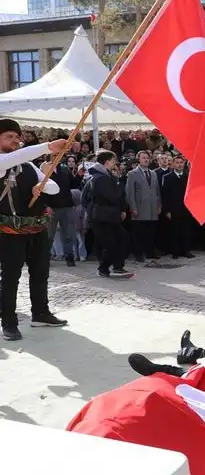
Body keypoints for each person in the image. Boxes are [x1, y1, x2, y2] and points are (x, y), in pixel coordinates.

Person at [0, 119, 69, 341]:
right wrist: (48, 147)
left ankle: (40, 313)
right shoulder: (2, 162)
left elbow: (54, 187)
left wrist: (42, 185)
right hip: (9, 232)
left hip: (36, 228)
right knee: (10, 277)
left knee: (40, 273)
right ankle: (9, 322)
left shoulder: (29, 166)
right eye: (9, 136)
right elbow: (15, 157)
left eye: (17, 136)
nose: (15, 140)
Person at [86, 150, 133, 280]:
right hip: (102, 217)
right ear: (106, 162)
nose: (115, 164)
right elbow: (113, 196)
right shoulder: (100, 178)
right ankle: (103, 268)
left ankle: (117, 267)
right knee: (111, 244)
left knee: (122, 238)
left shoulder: (106, 176)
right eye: (113, 161)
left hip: (110, 216)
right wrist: (120, 182)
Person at [125, 150, 161, 262]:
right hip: (139, 208)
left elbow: (157, 191)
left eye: (147, 158)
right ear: (138, 160)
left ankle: (150, 252)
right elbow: (130, 193)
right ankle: (138, 254)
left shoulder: (153, 173)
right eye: (143, 158)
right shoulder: (132, 174)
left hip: (152, 208)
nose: (146, 160)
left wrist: (159, 205)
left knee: (151, 232)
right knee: (138, 233)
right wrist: (133, 208)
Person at [161, 155, 195, 259]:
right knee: (174, 230)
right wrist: (167, 211)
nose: (179, 165)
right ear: (173, 164)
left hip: (186, 208)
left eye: (181, 162)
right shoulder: (167, 177)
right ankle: (175, 252)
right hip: (174, 209)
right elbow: (165, 195)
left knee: (186, 230)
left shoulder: (188, 176)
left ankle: (186, 250)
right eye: (177, 162)